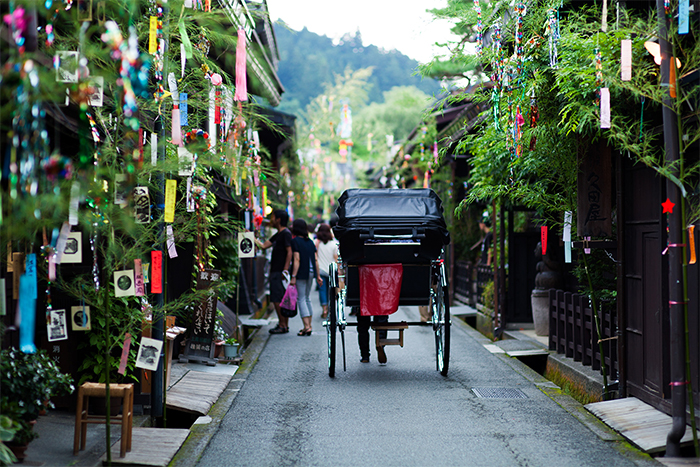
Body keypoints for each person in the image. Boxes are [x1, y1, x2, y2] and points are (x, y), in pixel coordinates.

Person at [255, 209, 293, 334]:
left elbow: (289, 252)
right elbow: (264, 245)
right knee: (279, 297)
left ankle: (282, 325)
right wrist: (249, 237)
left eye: (273, 217)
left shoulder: (286, 233)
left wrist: (285, 270)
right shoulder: (279, 234)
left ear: (278, 219)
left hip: (279, 271)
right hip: (276, 270)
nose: (271, 220)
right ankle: (283, 324)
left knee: (277, 298)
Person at [290, 218, 323, 336]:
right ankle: (309, 325)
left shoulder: (295, 241)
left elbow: (296, 259)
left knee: (301, 298)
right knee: (307, 298)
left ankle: (307, 326)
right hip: (311, 272)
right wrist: (318, 275)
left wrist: (293, 276)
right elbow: (315, 259)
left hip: (301, 272)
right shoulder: (310, 242)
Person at [314, 223, 338, 319]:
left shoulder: (316, 243)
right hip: (331, 271)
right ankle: (330, 308)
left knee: (322, 290)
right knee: (331, 291)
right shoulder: (334, 244)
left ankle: (324, 309)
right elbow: (336, 259)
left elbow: (315, 257)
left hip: (321, 270)